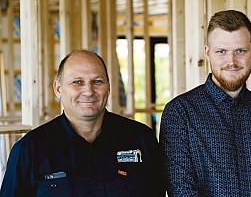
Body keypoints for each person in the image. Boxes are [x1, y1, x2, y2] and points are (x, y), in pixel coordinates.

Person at [160, 10, 251, 196]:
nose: (231, 61)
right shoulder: (179, 114)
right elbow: (181, 191)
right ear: (208, 53)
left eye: (240, 51)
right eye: (221, 51)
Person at [0, 50, 164, 196]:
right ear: (58, 88)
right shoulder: (30, 150)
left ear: (108, 87)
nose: (88, 91)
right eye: (77, 82)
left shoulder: (141, 139)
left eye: (97, 81)